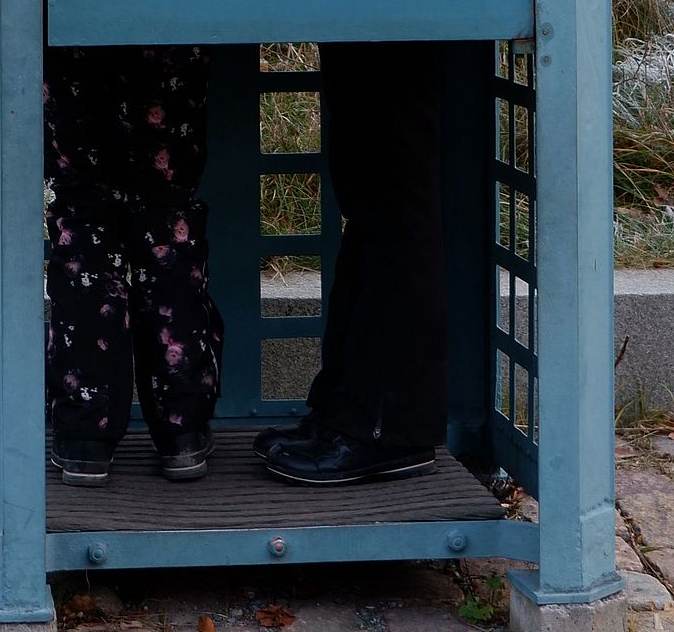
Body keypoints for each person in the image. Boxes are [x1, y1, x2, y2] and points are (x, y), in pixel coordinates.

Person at [257, 40, 447, 485]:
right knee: (369, 199)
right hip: (374, 4)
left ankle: (388, 430)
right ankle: (346, 412)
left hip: (398, 2)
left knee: (394, 200)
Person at [44, 45, 224, 486]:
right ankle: (181, 430)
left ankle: (86, 433)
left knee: (85, 230)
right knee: (167, 228)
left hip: (74, 22)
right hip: (164, 19)